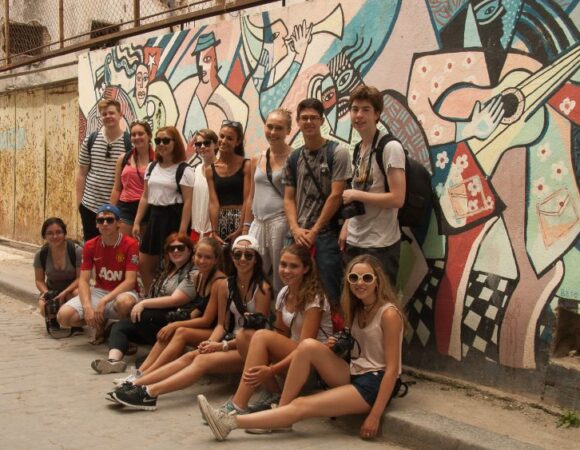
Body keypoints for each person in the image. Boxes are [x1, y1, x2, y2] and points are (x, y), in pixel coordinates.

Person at [198, 254, 405, 440]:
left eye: (367, 278)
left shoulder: (388, 314)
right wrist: (335, 344)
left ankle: (230, 423)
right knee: (308, 346)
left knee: (302, 405)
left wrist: (375, 416)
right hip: (354, 371)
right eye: (354, 278)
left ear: (378, 280)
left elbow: (392, 370)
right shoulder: (358, 308)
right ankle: (280, 411)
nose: (360, 283)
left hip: (374, 383)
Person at [109, 235, 272, 411]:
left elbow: (254, 335)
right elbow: (221, 325)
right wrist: (211, 342)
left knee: (201, 360)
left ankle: (149, 392)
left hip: (247, 348)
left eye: (248, 255)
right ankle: (138, 383)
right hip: (229, 339)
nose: (242, 259)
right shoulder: (227, 285)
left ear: (256, 259)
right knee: (190, 355)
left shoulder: (262, 289)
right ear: (231, 257)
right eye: (237, 254)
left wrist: (220, 346)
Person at [215, 244, 333, 416]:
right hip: (291, 360)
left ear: (306, 269)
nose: (287, 270)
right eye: (283, 265)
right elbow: (281, 335)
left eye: (294, 266)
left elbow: (305, 348)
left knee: (261, 336)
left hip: (312, 368)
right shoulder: (284, 293)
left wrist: (271, 369)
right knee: (244, 336)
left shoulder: (315, 297)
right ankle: (274, 393)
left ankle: (238, 404)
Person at [90, 234, 196, 374]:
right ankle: (113, 362)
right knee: (119, 326)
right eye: (171, 248)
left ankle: (159, 354)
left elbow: (176, 300)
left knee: (142, 315)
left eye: (180, 248)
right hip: (156, 317)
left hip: (175, 317)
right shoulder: (167, 271)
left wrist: (143, 303)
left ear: (189, 250)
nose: (175, 251)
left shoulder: (193, 273)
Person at [124, 237, 225, 379]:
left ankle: (147, 375)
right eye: (199, 256)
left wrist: (176, 324)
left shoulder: (219, 282)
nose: (202, 261)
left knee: (179, 330)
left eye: (207, 257)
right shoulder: (198, 276)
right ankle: (141, 372)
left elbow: (207, 320)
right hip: (204, 326)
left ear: (216, 260)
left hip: (216, 332)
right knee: (172, 327)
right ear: (194, 256)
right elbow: (198, 309)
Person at [283, 98, 351, 306]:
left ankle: (336, 336)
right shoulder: (294, 157)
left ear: (322, 121)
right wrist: (295, 229)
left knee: (331, 291)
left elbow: (336, 195)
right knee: (295, 290)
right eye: (304, 118)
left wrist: (314, 231)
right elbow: (288, 197)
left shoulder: (337, 153)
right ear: (298, 121)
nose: (309, 122)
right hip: (298, 235)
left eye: (314, 118)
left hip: (325, 235)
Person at [339, 85, 406, 285]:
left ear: (377, 114)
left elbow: (397, 198)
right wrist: (347, 226)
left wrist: (356, 196)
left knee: (380, 306)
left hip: (380, 244)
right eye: (354, 109)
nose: (359, 115)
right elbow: (360, 190)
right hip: (355, 240)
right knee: (355, 307)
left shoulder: (390, 147)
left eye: (366, 110)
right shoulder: (359, 148)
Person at [57, 204, 140, 344]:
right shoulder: (90, 245)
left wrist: (104, 301)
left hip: (123, 292)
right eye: (101, 221)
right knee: (64, 317)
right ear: (96, 225)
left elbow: (130, 281)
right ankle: (100, 325)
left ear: (119, 223)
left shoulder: (131, 244)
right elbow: (83, 280)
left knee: (125, 303)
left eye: (110, 220)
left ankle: (124, 334)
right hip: (99, 291)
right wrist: (87, 307)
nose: (105, 223)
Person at [132, 126, 195, 292]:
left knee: (173, 264)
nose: (161, 144)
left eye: (166, 140)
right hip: (155, 218)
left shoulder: (184, 169)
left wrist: (182, 231)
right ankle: (151, 295)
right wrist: (137, 222)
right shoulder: (152, 167)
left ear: (175, 143)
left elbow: (188, 203)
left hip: (173, 218)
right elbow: (145, 196)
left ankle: (171, 300)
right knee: (144, 263)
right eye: (158, 140)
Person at [243, 109, 292, 294]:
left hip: (280, 222)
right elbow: (251, 196)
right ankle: (253, 316)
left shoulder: (294, 158)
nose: (272, 132)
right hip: (258, 222)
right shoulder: (257, 158)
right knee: (252, 272)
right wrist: (246, 227)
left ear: (288, 131)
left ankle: (281, 318)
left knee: (282, 275)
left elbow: (293, 197)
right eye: (269, 127)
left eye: (278, 128)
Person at [76, 99, 130, 242]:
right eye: (104, 114)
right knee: (91, 247)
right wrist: (79, 203)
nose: (108, 116)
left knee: (112, 247)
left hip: (116, 209)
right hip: (90, 206)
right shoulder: (90, 140)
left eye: (112, 113)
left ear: (120, 114)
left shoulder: (128, 143)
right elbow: (82, 173)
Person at [207, 121, 251, 246]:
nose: (224, 141)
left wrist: (241, 228)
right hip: (220, 222)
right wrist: (214, 231)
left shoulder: (246, 165)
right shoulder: (210, 169)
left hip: (241, 222)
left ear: (238, 142)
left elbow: (247, 199)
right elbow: (213, 202)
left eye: (229, 138)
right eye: (221, 136)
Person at [110, 120, 155, 237]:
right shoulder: (123, 158)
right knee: (123, 247)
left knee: (143, 250)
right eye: (133, 134)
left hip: (148, 209)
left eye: (140, 134)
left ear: (149, 135)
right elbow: (117, 188)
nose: (137, 137)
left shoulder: (157, 161)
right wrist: (110, 211)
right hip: (125, 208)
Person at [34, 217, 82, 320]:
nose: (55, 236)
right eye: (50, 233)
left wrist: (64, 293)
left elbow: (81, 278)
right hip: (52, 289)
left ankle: (76, 321)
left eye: (58, 232)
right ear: (44, 236)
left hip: (72, 289)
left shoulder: (76, 251)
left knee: (76, 294)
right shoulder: (41, 254)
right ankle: (52, 319)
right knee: (43, 305)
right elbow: (39, 280)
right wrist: (46, 292)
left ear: (64, 233)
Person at [188, 129, 218, 244]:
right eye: (198, 144)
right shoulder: (195, 170)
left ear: (215, 144)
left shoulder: (222, 170)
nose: (202, 146)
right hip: (195, 231)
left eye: (206, 143)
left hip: (213, 231)